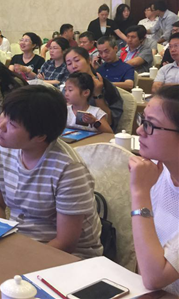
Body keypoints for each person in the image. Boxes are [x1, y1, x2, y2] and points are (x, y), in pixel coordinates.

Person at [0, 86, 103, 258]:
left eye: (12, 124)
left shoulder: (69, 169)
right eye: (4, 114)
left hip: (67, 256)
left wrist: (20, 259)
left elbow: (66, 242)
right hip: (19, 244)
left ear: (40, 136)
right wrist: (2, 242)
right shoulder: (5, 150)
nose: (1, 126)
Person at [128, 85, 179, 294]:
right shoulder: (157, 171)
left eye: (150, 125)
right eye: (142, 120)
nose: (139, 131)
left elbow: (155, 277)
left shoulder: (146, 179)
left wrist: (140, 193)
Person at [65, 47, 124, 130]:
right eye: (69, 63)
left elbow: (109, 122)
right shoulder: (68, 86)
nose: (74, 66)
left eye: (77, 60)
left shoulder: (105, 85)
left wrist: (98, 94)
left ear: (88, 60)